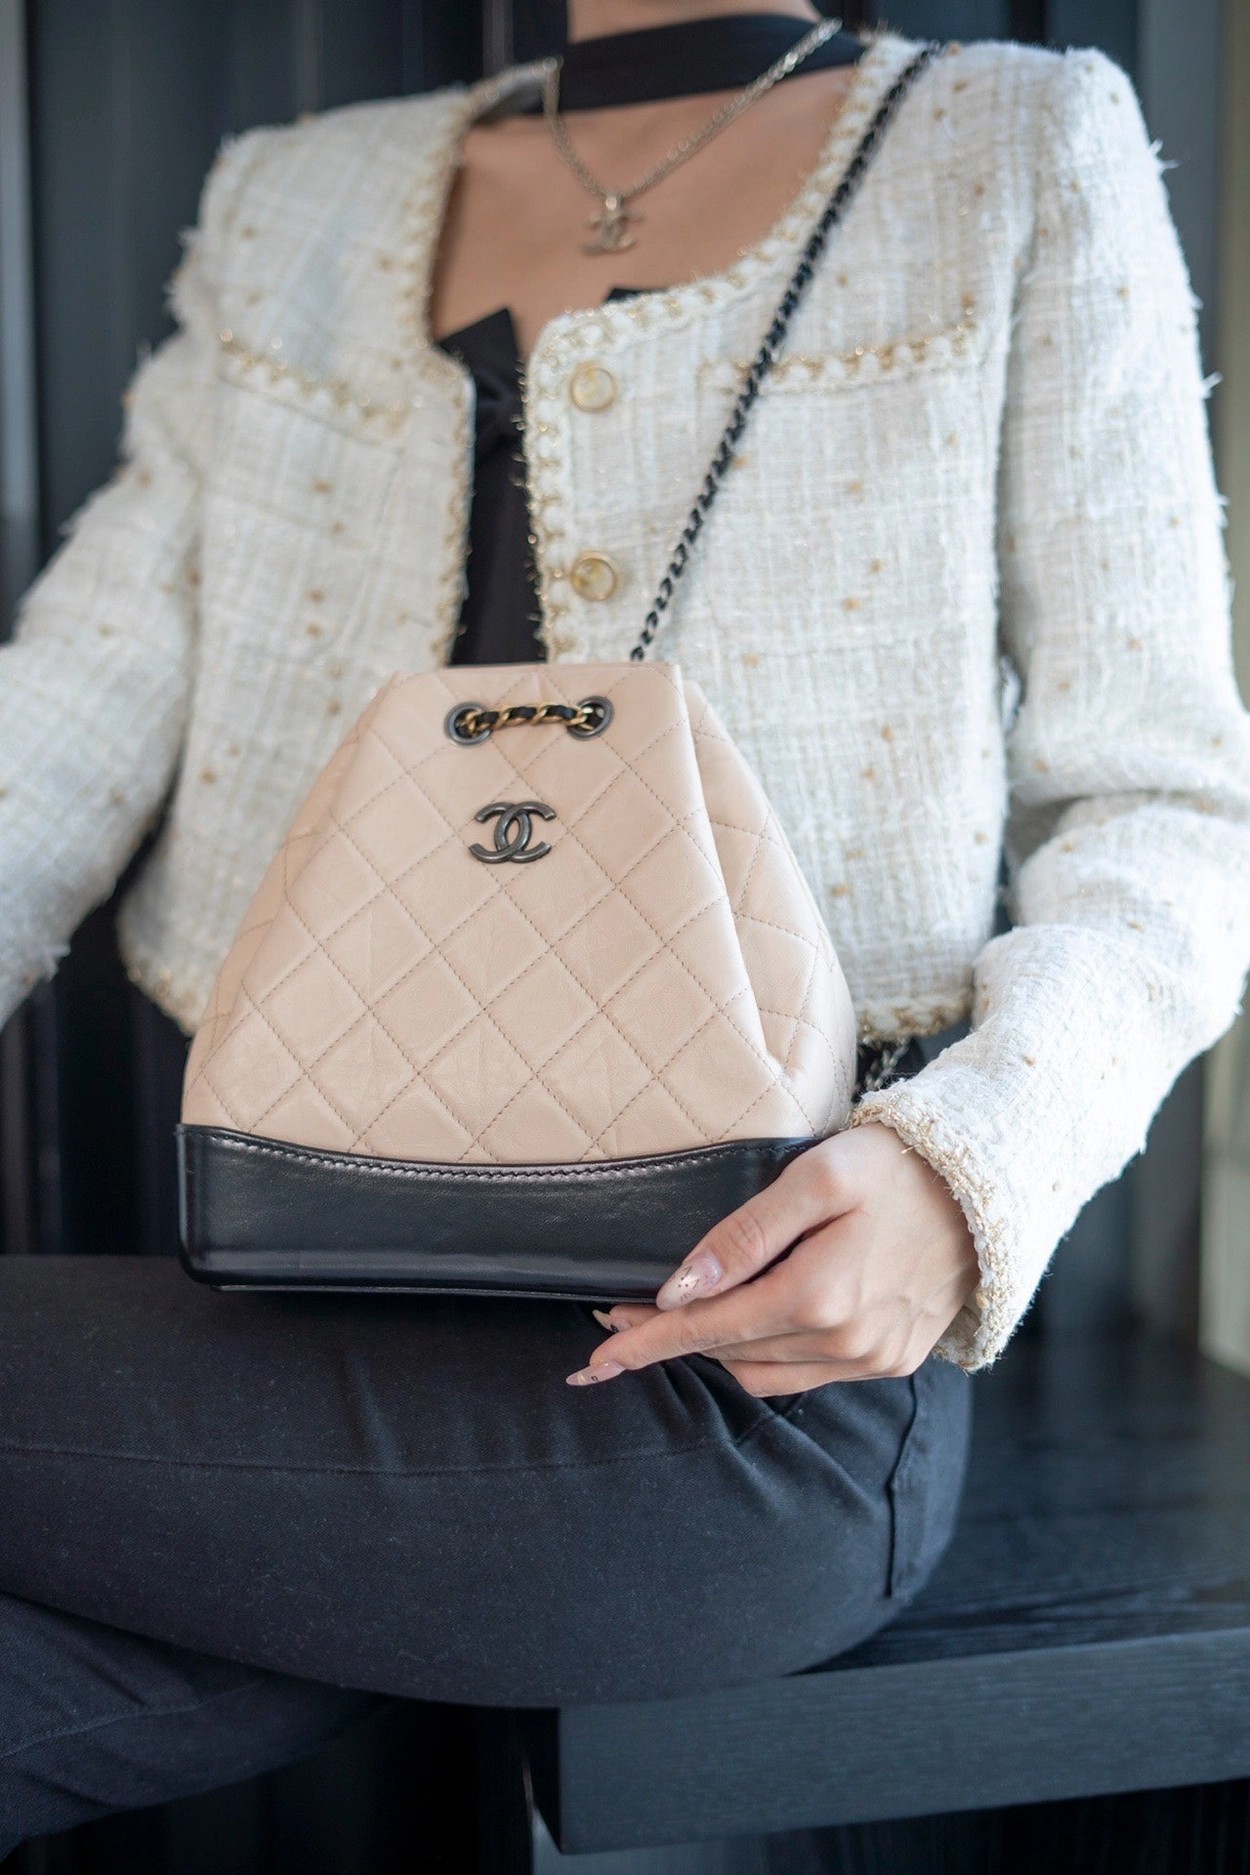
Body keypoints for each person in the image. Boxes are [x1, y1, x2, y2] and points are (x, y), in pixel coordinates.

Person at [1, 0, 1248, 1847]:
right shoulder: (298, 201)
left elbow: (1167, 806)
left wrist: (965, 1172)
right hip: (275, 1276)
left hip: (738, 1365)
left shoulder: (1007, 148)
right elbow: (64, 721)